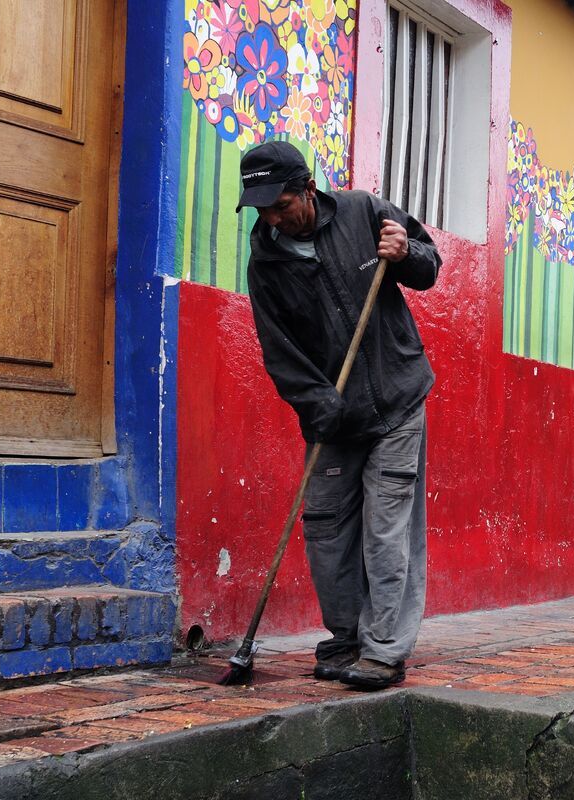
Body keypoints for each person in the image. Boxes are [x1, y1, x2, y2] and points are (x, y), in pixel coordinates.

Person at [237, 141, 441, 690]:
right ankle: (346, 637)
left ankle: (383, 650)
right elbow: (279, 351)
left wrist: (407, 253)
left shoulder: (364, 212)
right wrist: (316, 401)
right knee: (326, 529)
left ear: (307, 189)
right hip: (331, 417)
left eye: (280, 205)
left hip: (397, 401)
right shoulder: (266, 261)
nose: (273, 219)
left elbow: (428, 267)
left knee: (386, 530)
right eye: (262, 210)